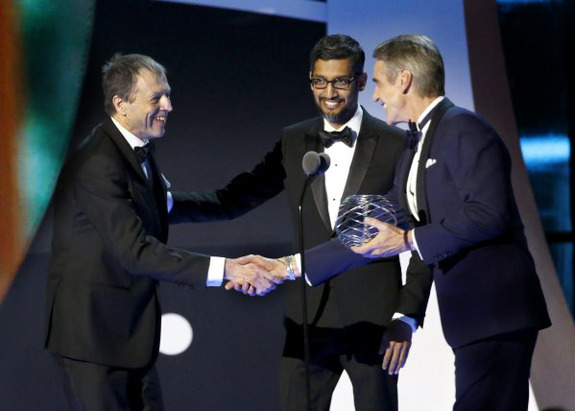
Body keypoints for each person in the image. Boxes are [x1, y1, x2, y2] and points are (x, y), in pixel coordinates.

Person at [176, 35, 432, 411]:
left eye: (340, 81)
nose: (329, 93)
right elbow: (234, 199)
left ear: (361, 81)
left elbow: (422, 233)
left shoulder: (398, 143)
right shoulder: (294, 140)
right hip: (307, 320)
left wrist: (406, 316)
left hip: (374, 320)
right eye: (319, 81)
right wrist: (165, 204)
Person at [305, 34, 551, 410]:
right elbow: (388, 217)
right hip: (472, 320)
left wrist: (408, 240)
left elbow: (489, 214)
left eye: (379, 83)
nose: (375, 96)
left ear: (404, 80)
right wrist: (293, 266)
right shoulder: (417, 143)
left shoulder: (463, 128)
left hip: (495, 312)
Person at [44, 53, 284, 411]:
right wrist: (229, 269)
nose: (168, 106)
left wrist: (282, 166)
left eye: (167, 94)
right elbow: (136, 252)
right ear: (121, 104)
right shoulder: (99, 164)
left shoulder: (133, 150)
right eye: (155, 98)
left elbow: (202, 204)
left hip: (128, 337)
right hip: (93, 342)